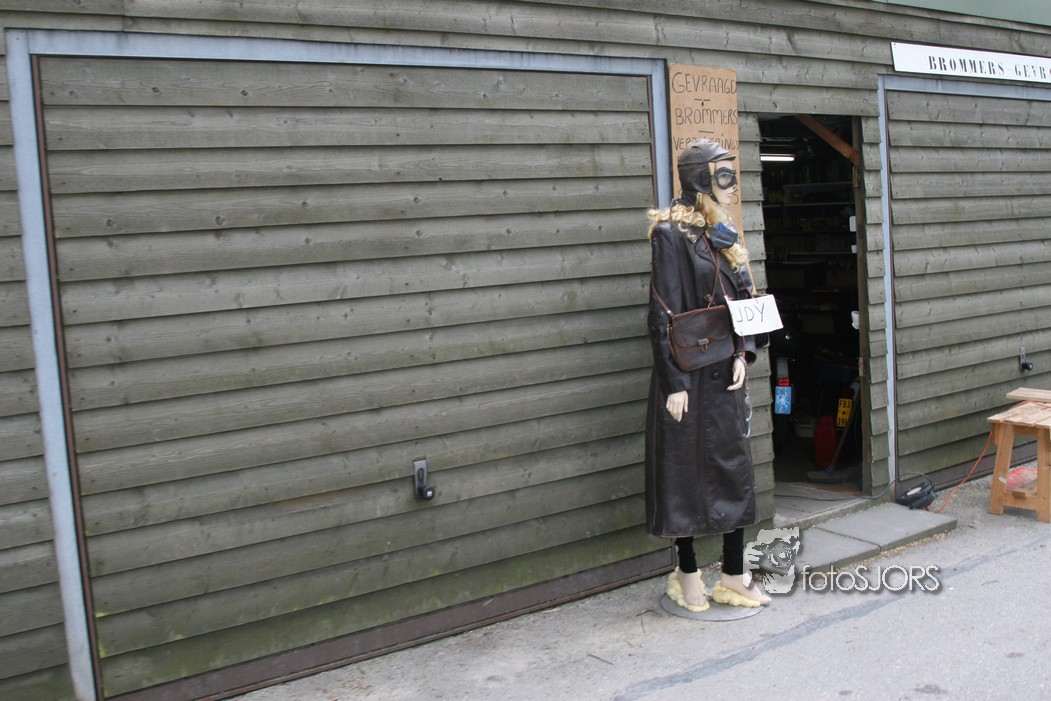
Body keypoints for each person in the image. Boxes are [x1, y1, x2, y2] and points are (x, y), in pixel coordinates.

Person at [645, 139, 771, 611]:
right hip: (686, 373)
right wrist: (673, 383)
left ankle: (734, 575)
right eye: (721, 175)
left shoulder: (723, 230)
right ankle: (688, 574)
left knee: (731, 471)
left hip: (723, 371)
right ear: (700, 178)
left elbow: (744, 299)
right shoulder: (670, 233)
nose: (730, 184)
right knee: (682, 473)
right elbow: (662, 311)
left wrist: (744, 352)